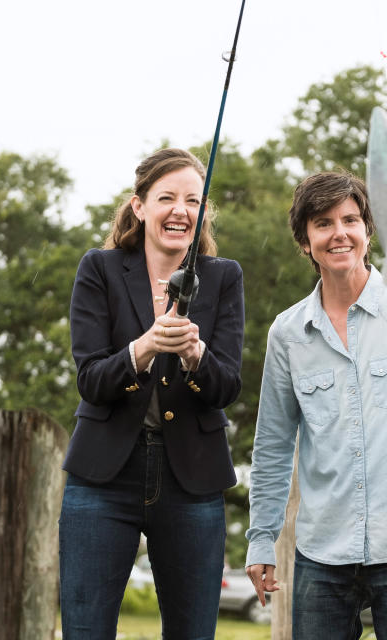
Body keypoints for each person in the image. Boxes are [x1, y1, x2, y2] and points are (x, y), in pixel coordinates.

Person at [244, 171, 387, 639]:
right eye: (323, 223)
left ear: (368, 231)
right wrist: (260, 538)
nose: (339, 233)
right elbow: (272, 445)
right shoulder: (287, 335)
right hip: (321, 557)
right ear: (305, 241)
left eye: (350, 219)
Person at [59, 148, 245, 639]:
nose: (180, 210)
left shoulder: (224, 277)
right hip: (102, 477)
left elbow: (226, 387)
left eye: (192, 200)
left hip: (192, 481)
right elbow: (91, 381)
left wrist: (195, 356)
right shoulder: (98, 269)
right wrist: (140, 351)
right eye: (166, 197)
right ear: (139, 206)